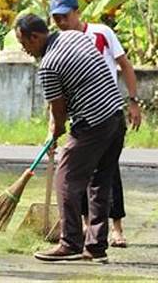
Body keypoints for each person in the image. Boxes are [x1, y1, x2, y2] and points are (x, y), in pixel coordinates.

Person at [16, 14, 125, 263]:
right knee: (100, 181)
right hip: (116, 117)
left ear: (36, 37)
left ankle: (71, 243)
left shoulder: (49, 65)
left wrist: (55, 132)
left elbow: (58, 110)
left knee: (65, 178)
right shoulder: (74, 36)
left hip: (93, 122)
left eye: (25, 44)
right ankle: (96, 247)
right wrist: (57, 128)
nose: (26, 50)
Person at [49, 0, 140, 248]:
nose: (61, 22)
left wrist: (133, 101)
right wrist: (53, 127)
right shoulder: (58, 44)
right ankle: (90, 231)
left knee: (108, 175)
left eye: (65, 16)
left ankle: (116, 228)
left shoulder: (101, 33)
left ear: (77, 13)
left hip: (107, 113)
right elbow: (57, 91)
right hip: (82, 117)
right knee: (82, 177)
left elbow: (126, 65)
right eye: (56, 18)